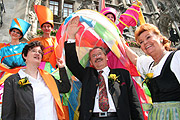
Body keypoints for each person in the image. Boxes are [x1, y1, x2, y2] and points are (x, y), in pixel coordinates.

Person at [64, 16, 144, 120]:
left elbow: (134, 103)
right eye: (93, 56)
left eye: (99, 54)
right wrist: (71, 36)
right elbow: (72, 63)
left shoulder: (123, 74)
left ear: (106, 57)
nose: (97, 57)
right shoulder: (87, 75)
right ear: (91, 62)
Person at [1, 41, 71, 120]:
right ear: (25, 56)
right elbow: (8, 113)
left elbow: (65, 88)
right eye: (33, 51)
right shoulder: (12, 81)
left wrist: (61, 68)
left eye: (40, 52)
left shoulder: (48, 77)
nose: (37, 53)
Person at [125, 23, 180, 120]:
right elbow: (135, 59)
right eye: (141, 42)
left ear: (160, 38)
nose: (145, 43)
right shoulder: (149, 66)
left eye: (148, 37)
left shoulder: (176, 58)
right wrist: (116, 38)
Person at [0, 18, 31, 116]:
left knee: (23, 95)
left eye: (17, 32)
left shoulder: (25, 46)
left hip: (23, 74)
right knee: (6, 96)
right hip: (7, 74)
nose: (15, 33)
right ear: (10, 32)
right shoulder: (3, 48)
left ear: (21, 35)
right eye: (13, 31)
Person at [28, 5, 57, 73]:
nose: (46, 28)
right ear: (41, 28)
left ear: (51, 28)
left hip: (52, 67)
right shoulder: (35, 40)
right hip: (38, 65)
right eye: (44, 26)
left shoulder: (55, 40)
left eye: (48, 26)